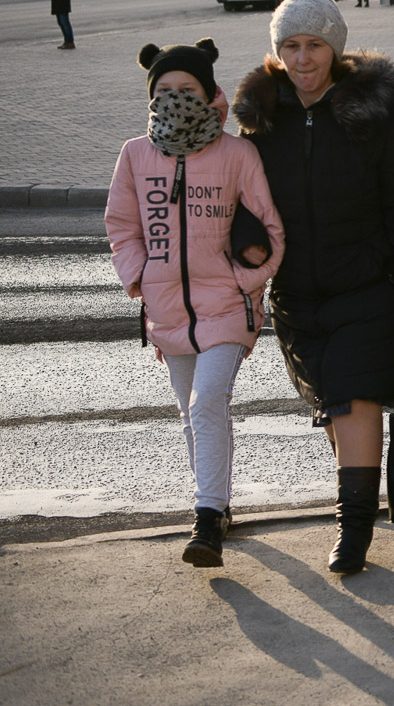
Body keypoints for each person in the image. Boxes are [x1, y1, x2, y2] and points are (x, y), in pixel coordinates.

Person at [232, 0, 394, 575]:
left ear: (335, 48)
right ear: (277, 52)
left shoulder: (375, 115)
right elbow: (240, 198)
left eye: (315, 45)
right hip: (296, 295)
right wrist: (247, 239)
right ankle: (360, 500)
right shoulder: (262, 119)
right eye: (291, 46)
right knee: (335, 407)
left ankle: (353, 531)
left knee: (355, 401)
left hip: (368, 288)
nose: (303, 59)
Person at [105, 38, 285, 568]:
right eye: (164, 90)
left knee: (208, 400)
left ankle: (206, 518)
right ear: (150, 96)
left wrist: (244, 281)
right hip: (167, 310)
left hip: (226, 306)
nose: (175, 97)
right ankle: (219, 504)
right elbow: (121, 224)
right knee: (193, 412)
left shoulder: (237, 153)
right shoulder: (135, 154)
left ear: (209, 94)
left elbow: (270, 228)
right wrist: (139, 276)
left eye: (187, 89)